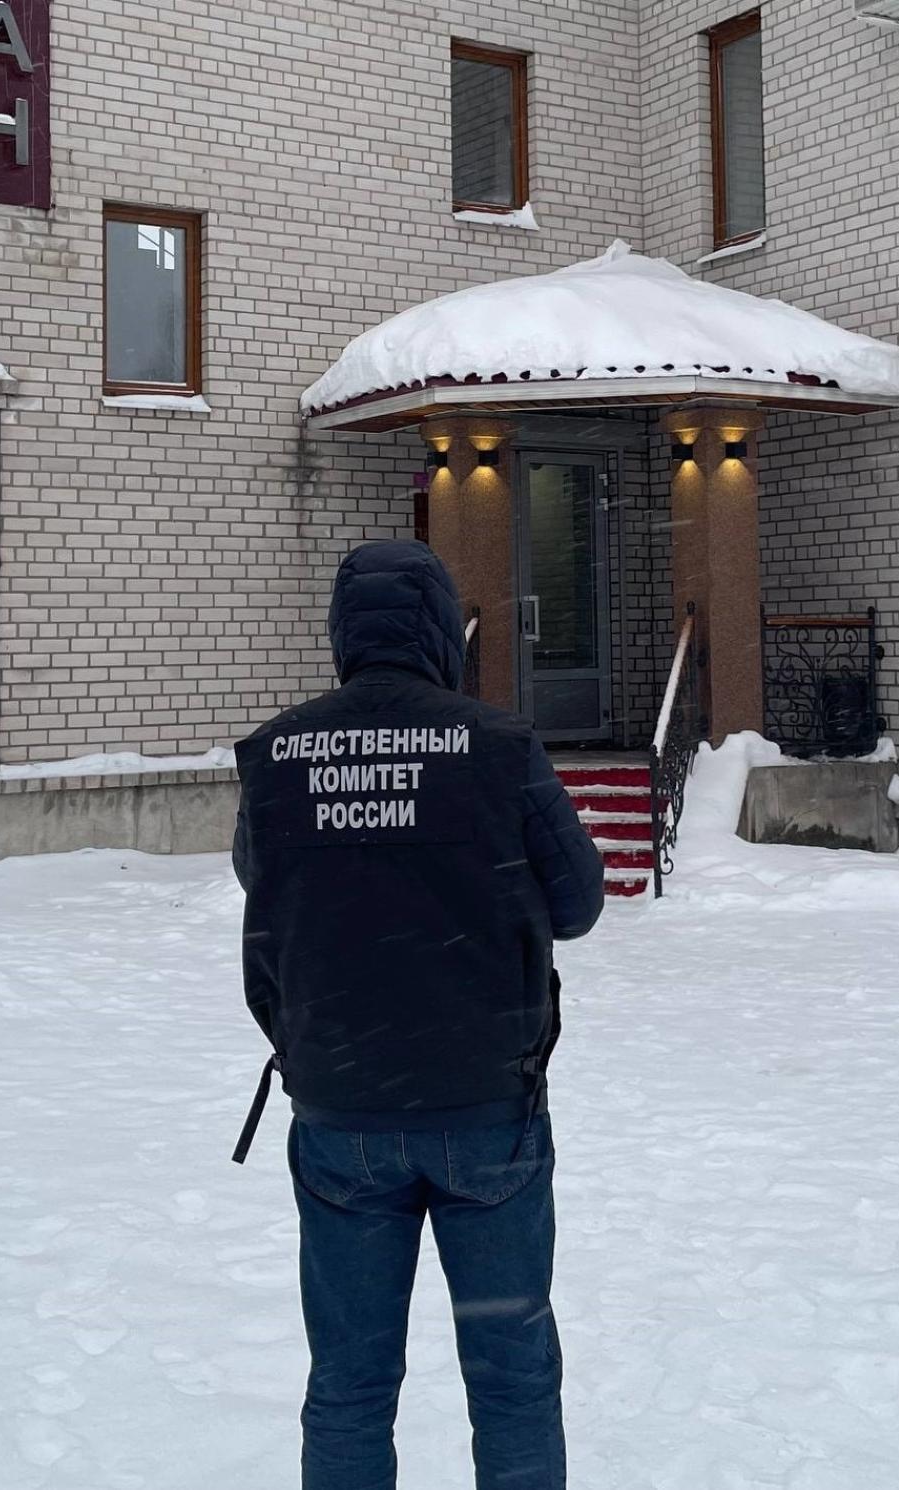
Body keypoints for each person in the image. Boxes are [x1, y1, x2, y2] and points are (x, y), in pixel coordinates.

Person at [231, 539, 605, 1490]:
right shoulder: (500, 747)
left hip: (342, 1112)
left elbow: (266, 890)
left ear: (342, 634)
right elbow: (577, 905)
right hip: (487, 1115)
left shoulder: (278, 755)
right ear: (442, 629)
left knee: (349, 1385)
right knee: (513, 1381)